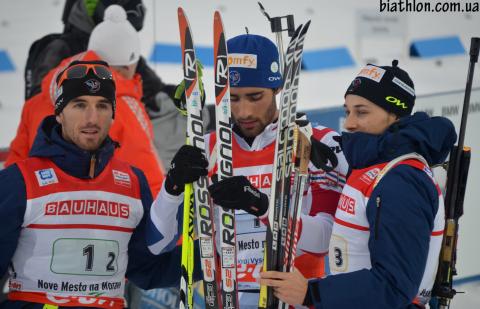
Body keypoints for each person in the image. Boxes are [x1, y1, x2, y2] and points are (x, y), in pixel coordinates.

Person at [148, 34, 349, 308]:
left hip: (294, 301)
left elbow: (330, 239)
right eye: (232, 99)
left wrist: (263, 206)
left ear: (278, 89)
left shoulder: (316, 143)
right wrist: (171, 188)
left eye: (255, 97)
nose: (244, 111)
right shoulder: (208, 148)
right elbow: (157, 244)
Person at [259, 61, 457, 308]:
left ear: (394, 114)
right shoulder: (374, 166)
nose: (349, 123)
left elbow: (394, 285)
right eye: (347, 111)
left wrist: (312, 293)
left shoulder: (402, 180)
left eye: (361, 112)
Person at [0, 60, 183, 309]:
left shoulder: (132, 182)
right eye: (79, 105)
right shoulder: (20, 181)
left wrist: (206, 258)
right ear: (59, 112)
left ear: (113, 113)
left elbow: (146, 268)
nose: (92, 118)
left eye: (102, 106)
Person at [6, 5, 164, 196]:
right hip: (96, 216)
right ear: (129, 64)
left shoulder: (38, 100)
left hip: (39, 216)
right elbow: (149, 183)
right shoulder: (123, 105)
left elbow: (14, 172)